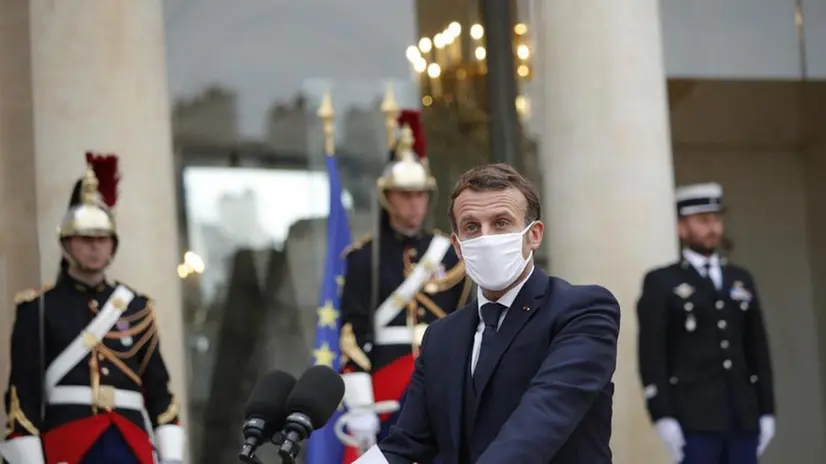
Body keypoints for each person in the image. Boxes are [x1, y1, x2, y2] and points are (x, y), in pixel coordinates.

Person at [364, 163, 620, 463]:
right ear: (458, 247)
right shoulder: (442, 336)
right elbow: (406, 444)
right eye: (472, 227)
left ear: (533, 235)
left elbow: (543, 417)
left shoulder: (582, 311)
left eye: (501, 223)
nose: (485, 238)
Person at [0, 154, 185, 464]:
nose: (95, 247)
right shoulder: (38, 307)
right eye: (86, 239)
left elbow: (159, 393)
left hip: (130, 445)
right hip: (68, 447)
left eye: (103, 239)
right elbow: (23, 399)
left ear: (113, 245)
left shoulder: (136, 308)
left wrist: (172, 458)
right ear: (67, 244)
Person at [338, 111, 472, 461]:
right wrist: (360, 402)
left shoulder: (450, 252)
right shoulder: (365, 257)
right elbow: (353, 332)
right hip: (385, 378)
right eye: (404, 195)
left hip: (441, 373)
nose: (414, 204)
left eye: (420, 195)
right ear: (388, 198)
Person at [637, 182, 776, 464]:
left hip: (743, 414)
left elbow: (757, 347)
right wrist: (662, 413)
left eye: (716, 220)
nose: (712, 228)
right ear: (681, 228)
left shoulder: (740, 278)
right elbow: (652, 352)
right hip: (693, 416)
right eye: (702, 221)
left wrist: (767, 409)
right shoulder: (662, 281)